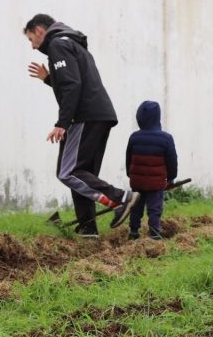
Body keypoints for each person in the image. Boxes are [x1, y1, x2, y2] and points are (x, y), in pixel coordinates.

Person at [24, 14, 138, 237]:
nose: (32, 46)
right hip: (100, 116)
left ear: (39, 30)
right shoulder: (72, 44)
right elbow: (76, 81)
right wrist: (49, 79)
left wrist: (62, 123)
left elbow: (72, 85)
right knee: (82, 176)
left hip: (84, 118)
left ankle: (121, 198)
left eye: (31, 39)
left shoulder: (57, 44)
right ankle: (88, 230)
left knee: (68, 172)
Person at [125, 100, 178, 240]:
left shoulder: (134, 137)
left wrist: (130, 174)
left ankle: (134, 231)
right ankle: (154, 231)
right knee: (155, 207)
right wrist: (171, 178)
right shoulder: (166, 138)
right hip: (156, 183)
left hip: (137, 181)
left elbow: (128, 158)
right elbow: (172, 160)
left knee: (136, 206)